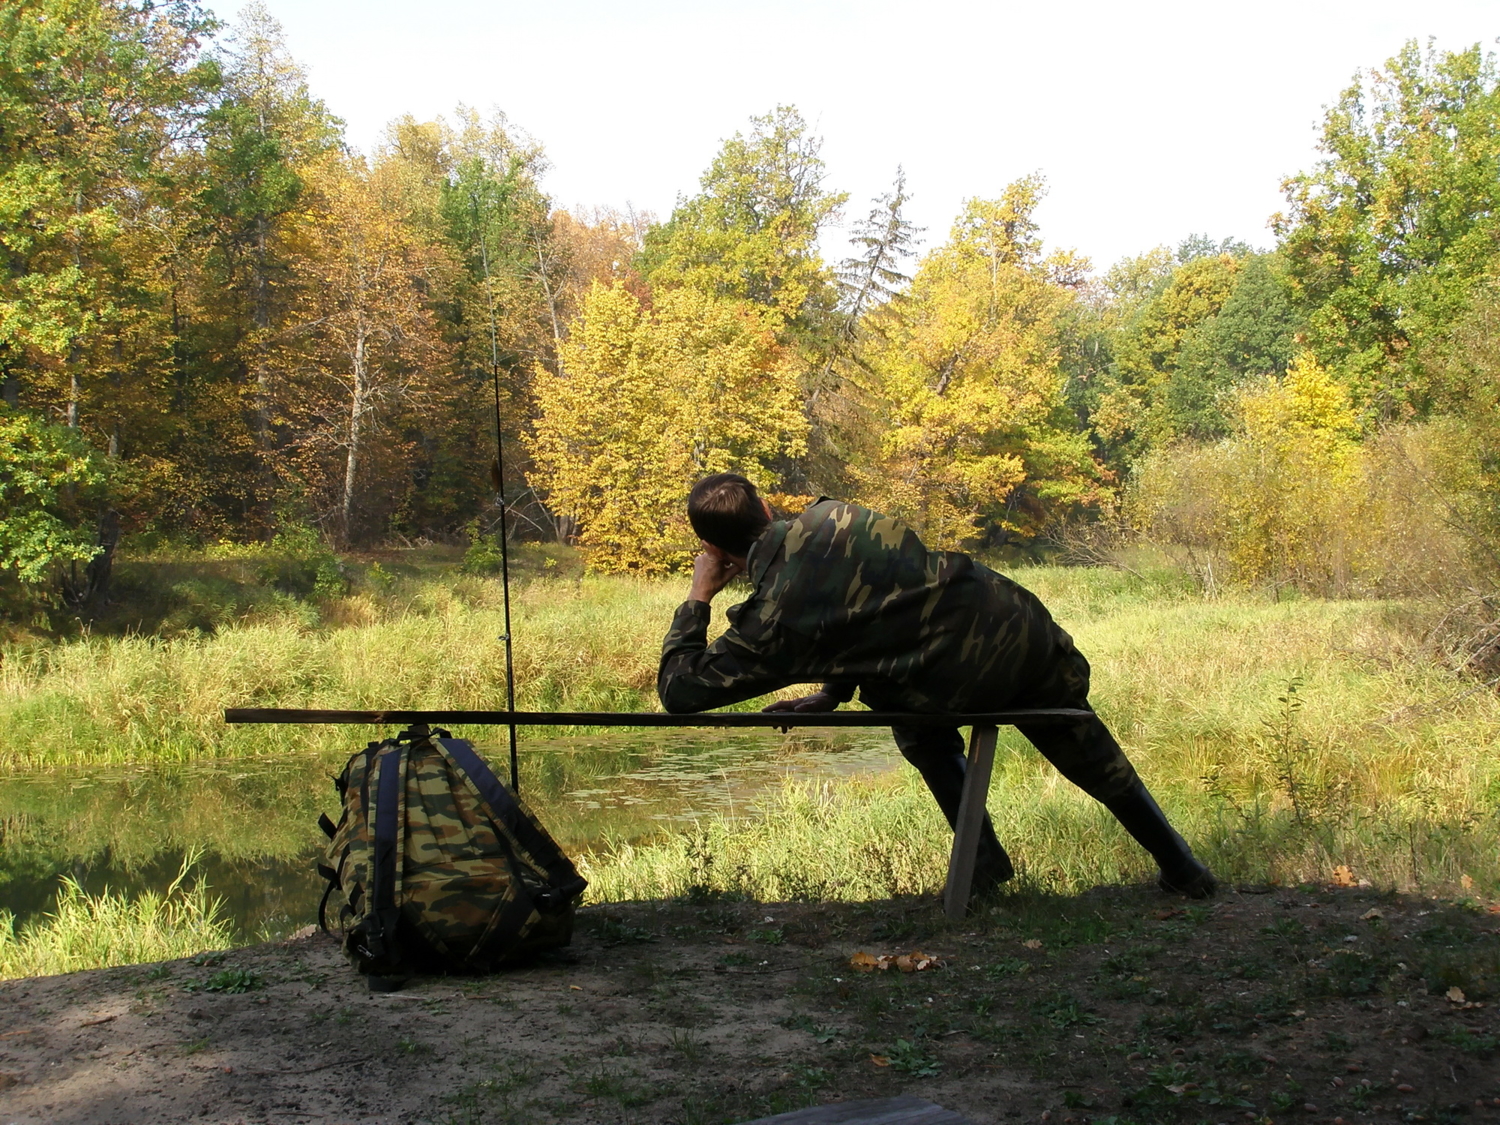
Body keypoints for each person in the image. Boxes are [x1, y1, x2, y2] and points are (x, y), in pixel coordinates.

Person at [657, 472, 1216, 898]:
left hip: (953, 678)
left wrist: (699, 596)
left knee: (918, 726)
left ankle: (985, 862)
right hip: (1021, 625)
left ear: (715, 550)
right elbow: (879, 603)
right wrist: (833, 690)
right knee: (1083, 744)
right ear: (767, 506)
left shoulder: (772, 618)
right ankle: (1183, 867)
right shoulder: (836, 514)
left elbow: (682, 694)